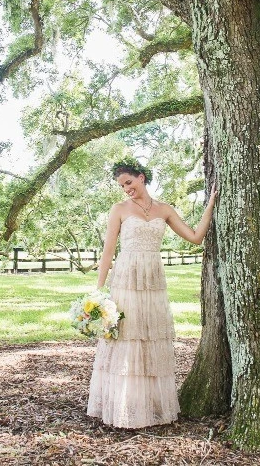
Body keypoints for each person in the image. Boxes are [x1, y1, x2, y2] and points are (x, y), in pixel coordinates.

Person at [87, 158, 218, 428]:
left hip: (153, 279)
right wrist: (98, 291)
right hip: (126, 278)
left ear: (142, 177)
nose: (126, 189)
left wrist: (211, 205)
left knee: (150, 336)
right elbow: (108, 251)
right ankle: (125, 406)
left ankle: (151, 406)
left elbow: (195, 237)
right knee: (128, 336)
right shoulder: (119, 209)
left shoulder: (164, 209)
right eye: (122, 185)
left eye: (129, 182)